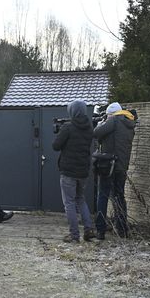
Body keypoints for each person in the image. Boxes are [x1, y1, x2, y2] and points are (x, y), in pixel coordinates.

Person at [52, 100, 95, 243]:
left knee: (69, 202)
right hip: (83, 171)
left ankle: (74, 235)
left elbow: (56, 146)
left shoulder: (68, 127)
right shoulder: (89, 128)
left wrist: (60, 131)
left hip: (68, 171)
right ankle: (88, 229)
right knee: (80, 199)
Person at [93, 101, 136, 239]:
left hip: (109, 165)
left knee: (103, 195)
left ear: (111, 114)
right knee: (119, 196)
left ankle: (100, 230)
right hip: (122, 166)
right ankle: (122, 229)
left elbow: (97, 132)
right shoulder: (129, 123)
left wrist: (102, 122)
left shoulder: (114, 121)